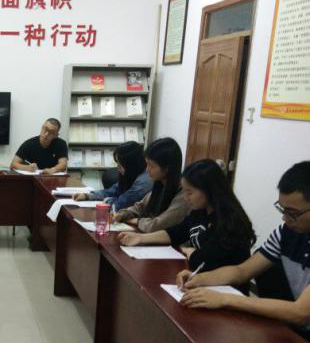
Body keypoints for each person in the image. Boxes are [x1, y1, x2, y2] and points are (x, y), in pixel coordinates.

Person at [178, 161, 310, 332]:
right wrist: (200, 279)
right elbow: (242, 271)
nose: (284, 218)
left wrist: (225, 299)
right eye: (282, 209)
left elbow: (301, 312)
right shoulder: (286, 232)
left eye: (293, 213)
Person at [119, 159, 256, 290]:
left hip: (224, 288)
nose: (185, 197)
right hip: (200, 280)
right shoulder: (200, 211)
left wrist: (192, 252)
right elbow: (175, 233)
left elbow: (205, 261)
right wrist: (140, 238)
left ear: (209, 190)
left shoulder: (230, 221)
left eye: (189, 192)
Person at [113, 137, 190, 232]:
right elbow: (139, 207)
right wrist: (122, 214)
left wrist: (137, 221)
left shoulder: (184, 194)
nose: (147, 170)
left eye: (151, 166)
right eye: (147, 164)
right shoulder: (161, 184)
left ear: (167, 168)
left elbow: (156, 225)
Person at [74, 141, 151, 209]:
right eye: (117, 163)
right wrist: (87, 196)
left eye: (120, 164)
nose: (117, 168)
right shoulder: (132, 173)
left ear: (131, 165)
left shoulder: (143, 183)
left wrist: (108, 200)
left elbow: (120, 204)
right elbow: (113, 191)